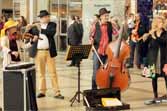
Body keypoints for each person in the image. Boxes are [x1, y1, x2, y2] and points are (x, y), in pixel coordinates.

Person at [27, 10, 64, 99]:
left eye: (46, 17)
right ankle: (42, 91)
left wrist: (41, 29)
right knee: (41, 73)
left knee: (53, 72)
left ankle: (57, 92)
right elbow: (27, 36)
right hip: (38, 52)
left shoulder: (52, 25)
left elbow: (51, 33)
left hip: (49, 52)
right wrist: (28, 29)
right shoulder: (34, 26)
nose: (45, 18)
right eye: (43, 17)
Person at [142, 16, 167, 105]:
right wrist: (145, 39)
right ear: (156, 23)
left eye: (162, 22)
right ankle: (155, 96)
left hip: (164, 60)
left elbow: (164, 42)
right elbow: (145, 46)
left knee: (166, 77)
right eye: (160, 22)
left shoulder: (165, 33)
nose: (162, 23)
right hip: (153, 59)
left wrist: (155, 37)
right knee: (154, 78)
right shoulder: (152, 34)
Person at [89, 8, 112, 89]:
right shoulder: (95, 25)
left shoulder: (110, 25)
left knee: (106, 71)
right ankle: (94, 90)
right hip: (98, 51)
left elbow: (117, 33)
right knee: (96, 71)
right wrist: (91, 40)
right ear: (101, 17)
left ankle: (104, 88)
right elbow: (91, 36)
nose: (107, 17)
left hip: (107, 52)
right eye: (105, 16)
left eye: (108, 16)